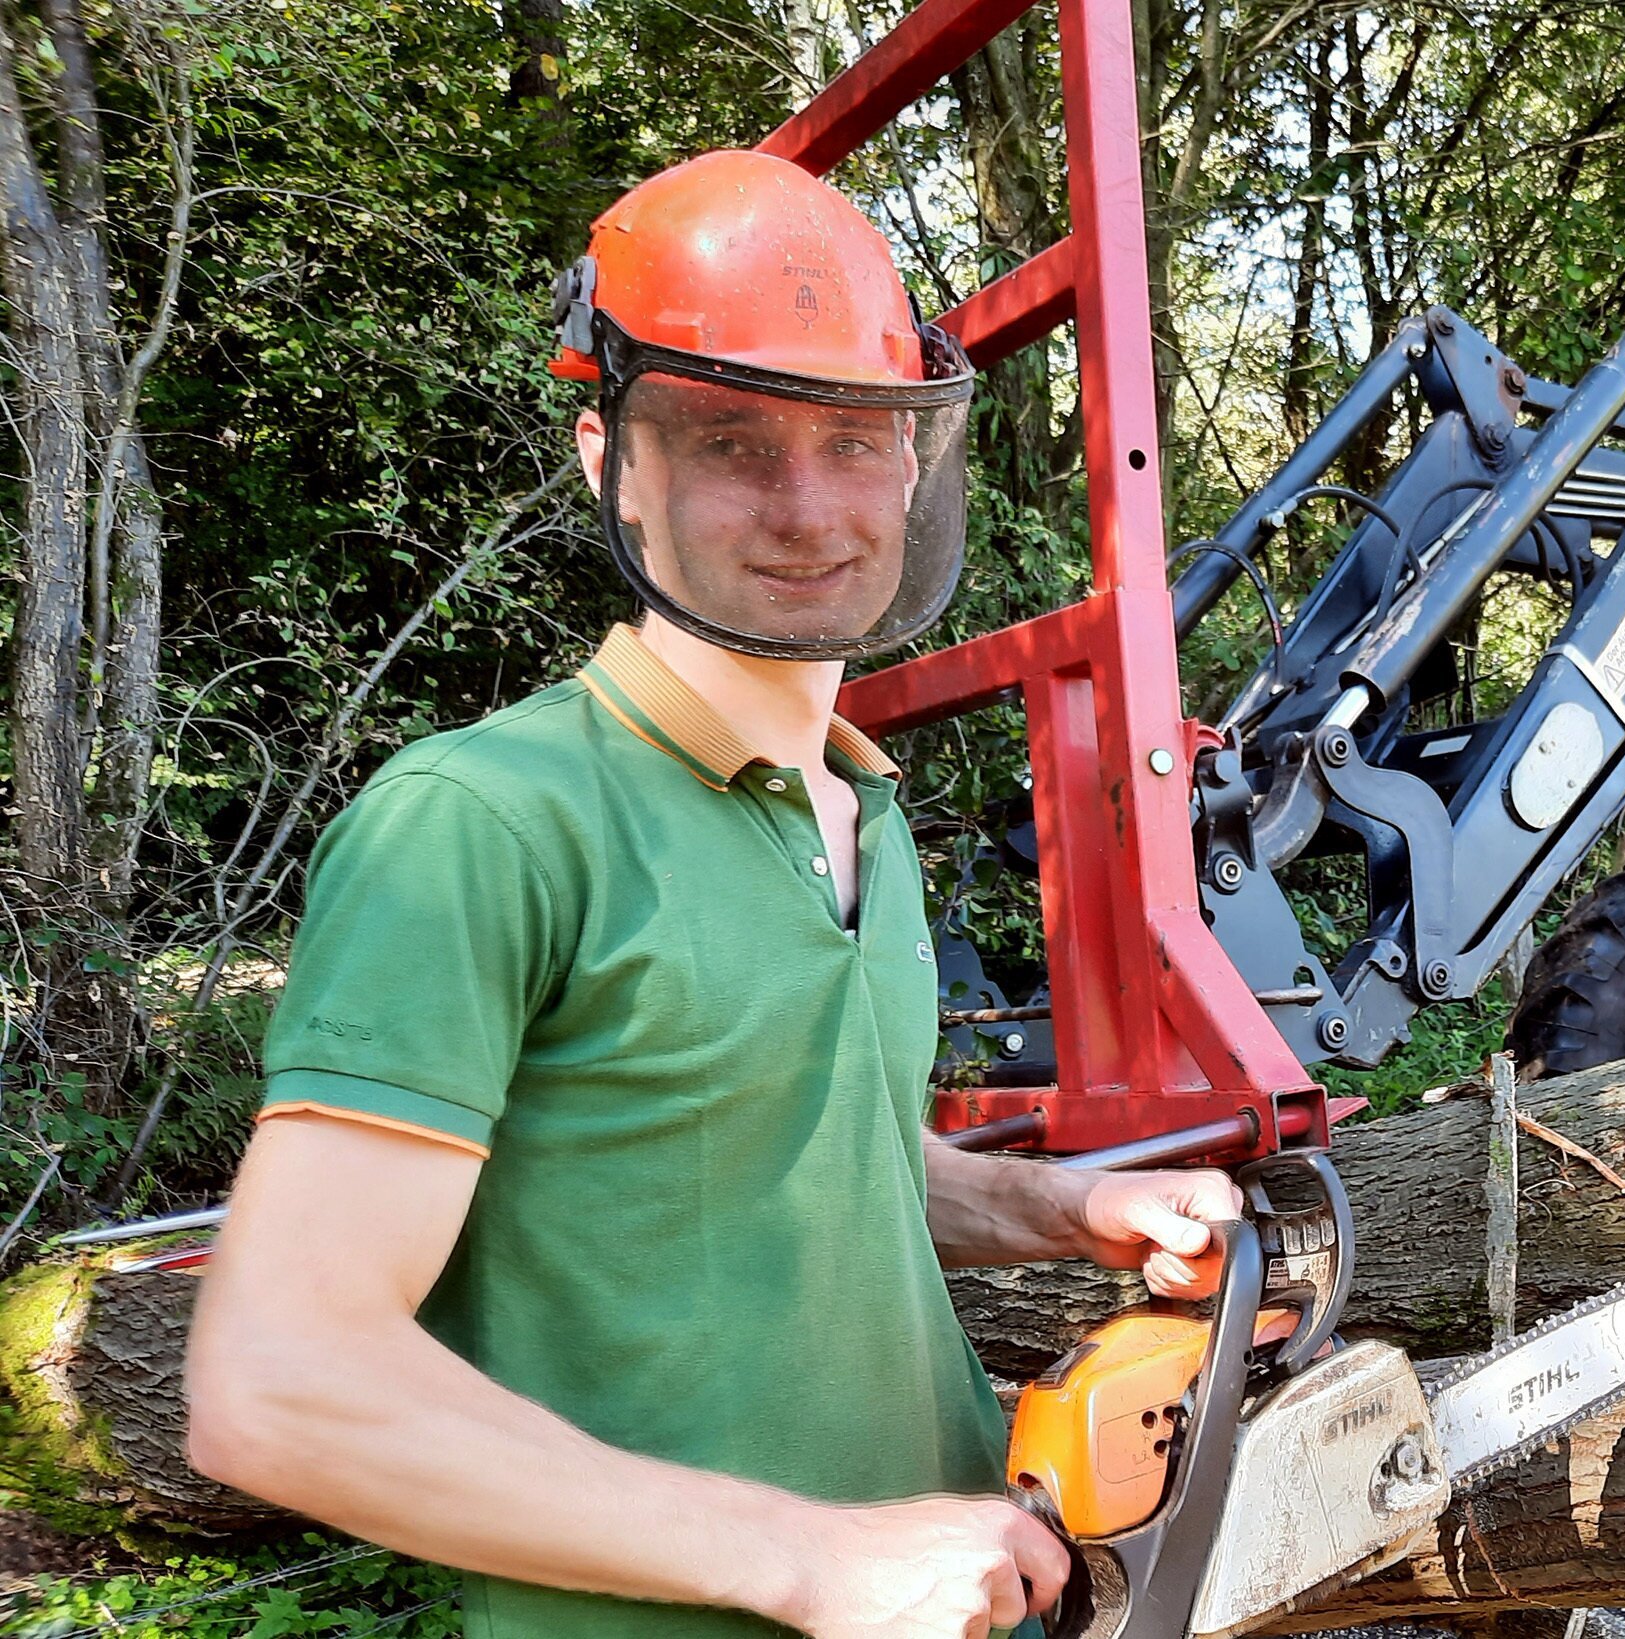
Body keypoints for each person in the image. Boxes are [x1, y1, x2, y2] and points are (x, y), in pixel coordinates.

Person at [183, 149, 1237, 1639]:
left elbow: (782, 1161)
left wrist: (1058, 1205)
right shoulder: (482, 824)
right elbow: (278, 1382)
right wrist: (809, 1557)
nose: (810, 508)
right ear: (610, 461)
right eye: (732, 440)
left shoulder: (858, 803)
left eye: (857, 440)